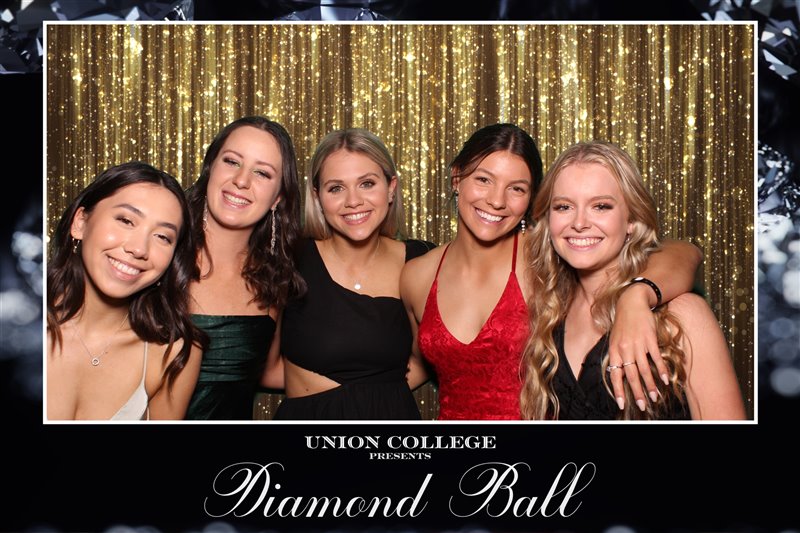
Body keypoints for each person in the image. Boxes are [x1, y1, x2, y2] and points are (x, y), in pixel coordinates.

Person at [401, 124, 703, 420]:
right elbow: (417, 362)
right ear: (456, 178)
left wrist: (637, 295)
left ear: (531, 198)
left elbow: (684, 253)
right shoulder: (418, 274)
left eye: (516, 189)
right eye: (483, 179)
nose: (496, 200)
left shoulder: (547, 252)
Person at [520, 141, 746, 420]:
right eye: (564, 207)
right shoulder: (548, 313)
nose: (579, 223)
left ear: (631, 220)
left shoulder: (682, 315)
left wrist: (636, 295)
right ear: (548, 218)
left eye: (601, 206)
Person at [274, 128, 434, 420]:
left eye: (367, 183)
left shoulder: (423, 260)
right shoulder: (289, 259)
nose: (353, 201)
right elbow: (261, 363)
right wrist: (325, 396)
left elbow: (432, 354)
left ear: (391, 188)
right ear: (317, 197)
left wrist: (375, 395)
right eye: (336, 188)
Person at [46, 161, 204, 420]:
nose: (139, 249)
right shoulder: (15, 325)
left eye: (162, 237)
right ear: (80, 222)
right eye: (126, 220)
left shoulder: (170, 353)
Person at [184, 116, 306, 420]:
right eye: (231, 161)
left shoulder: (274, 278)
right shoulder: (159, 256)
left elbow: (271, 370)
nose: (241, 180)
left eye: (262, 172)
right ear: (210, 168)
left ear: (278, 198)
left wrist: (373, 374)